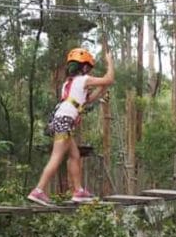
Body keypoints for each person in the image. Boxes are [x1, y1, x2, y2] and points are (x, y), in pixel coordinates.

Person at [27, 48, 115, 206]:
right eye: (88, 67)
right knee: (56, 157)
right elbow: (109, 79)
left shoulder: (69, 83)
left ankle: (78, 191)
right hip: (65, 121)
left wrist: (103, 89)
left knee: (74, 155)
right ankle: (38, 191)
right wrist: (110, 62)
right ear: (85, 67)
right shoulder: (83, 80)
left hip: (61, 121)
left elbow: (88, 99)